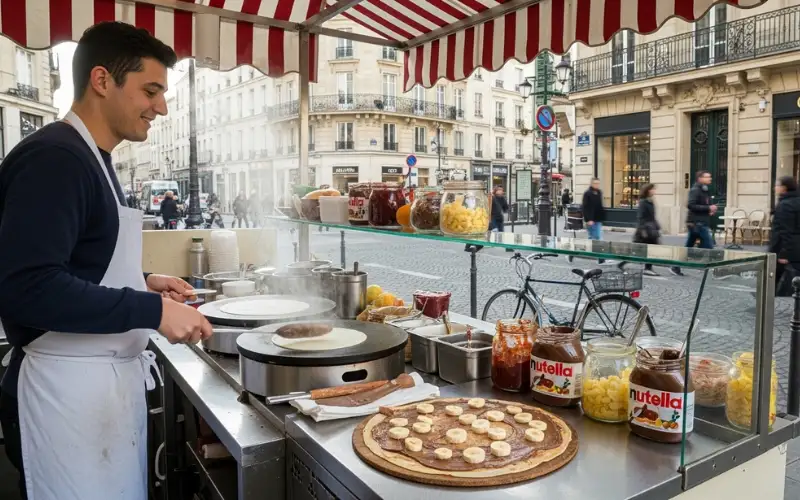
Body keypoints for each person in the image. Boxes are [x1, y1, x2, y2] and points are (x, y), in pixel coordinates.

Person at [0, 22, 213, 500]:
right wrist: (152, 311)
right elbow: (27, 287)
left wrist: (144, 281)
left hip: (93, 393)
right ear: (102, 81)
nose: (161, 106)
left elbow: (77, 260)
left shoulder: (91, 156)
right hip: (61, 399)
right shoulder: (56, 158)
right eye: (151, 90)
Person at [671, 170, 716, 276]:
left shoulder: (705, 190)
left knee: (689, 247)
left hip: (700, 221)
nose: (710, 178)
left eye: (710, 177)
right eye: (707, 177)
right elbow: (691, 205)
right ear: (700, 178)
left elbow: (703, 205)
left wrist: (710, 210)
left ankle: (675, 266)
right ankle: (717, 269)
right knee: (709, 245)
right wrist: (708, 207)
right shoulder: (695, 190)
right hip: (697, 222)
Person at [769, 176, 800, 295]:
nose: (774, 188)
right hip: (795, 249)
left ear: (784, 188)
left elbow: (784, 231)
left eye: (777, 185)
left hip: (783, 250)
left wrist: (783, 253)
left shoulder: (785, 205)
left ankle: (766, 305)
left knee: (773, 279)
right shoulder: (796, 201)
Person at [623, 183, 661, 276]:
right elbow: (640, 217)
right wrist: (643, 230)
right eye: (652, 189)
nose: (654, 191)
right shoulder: (643, 202)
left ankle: (648, 268)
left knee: (649, 250)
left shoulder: (650, 201)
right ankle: (623, 263)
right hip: (645, 231)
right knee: (639, 251)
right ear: (648, 190)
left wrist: (657, 226)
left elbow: (652, 216)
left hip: (651, 229)